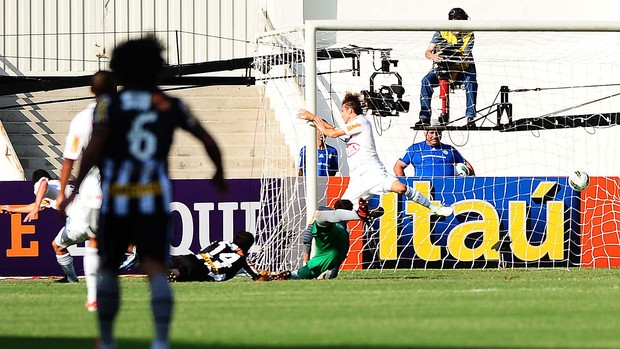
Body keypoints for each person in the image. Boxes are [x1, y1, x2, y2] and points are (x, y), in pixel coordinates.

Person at [60, 36, 227, 349]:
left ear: (120, 70)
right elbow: (207, 140)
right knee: (155, 268)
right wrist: (218, 172)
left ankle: (107, 339)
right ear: (157, 69)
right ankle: (161, 340)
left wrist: (75, 187)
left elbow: (93, 149)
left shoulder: (110, 106)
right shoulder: (170, 105)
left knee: (108, 267)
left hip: (119, 195)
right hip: (154, 196)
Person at [297, 92, 453, 217]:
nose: (342, 115)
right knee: (340, 212)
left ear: (350, 110)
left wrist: (312, 117)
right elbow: (332, 128)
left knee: (401, 188)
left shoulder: (361, 122)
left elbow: (331, 133)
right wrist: (314, 118)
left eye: (343, 111)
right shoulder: (352, 129)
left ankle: (434, 208)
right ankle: (365, 214)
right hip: (357, 180)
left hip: (374, 174)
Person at [55, 70, 118, 312]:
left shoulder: (82, 119)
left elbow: (69, 159)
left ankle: (93, 296)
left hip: (93, 192)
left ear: (92, 90)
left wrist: (64, 193)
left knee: (95, 240)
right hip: (128, 188)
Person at [274, 199, 383, 280]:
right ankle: (284, 276)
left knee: (321, 215)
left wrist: (305, 257)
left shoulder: (326, 213)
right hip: (333, 245)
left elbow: (308, 236)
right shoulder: (343, 232)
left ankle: (359, 215)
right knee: (306, 273)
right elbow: (334, 268)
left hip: (330, 242)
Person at [1, 169, 79, 283]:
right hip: (93, 212)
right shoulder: (58, 186)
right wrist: (12, 209)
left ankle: (72, 279)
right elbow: (41, 204)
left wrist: (36, 207)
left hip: (77, 217)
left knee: (58, 245)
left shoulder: (40, 184)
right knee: (96, 243)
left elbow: (43, 183)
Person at [416, 7, 477, 127]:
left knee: (471, 82)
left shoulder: (469, 34)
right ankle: (424, 117)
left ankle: (470, 118)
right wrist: (434, 56)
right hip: (443, 67)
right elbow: (428, 52)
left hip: (462, 68)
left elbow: (466, 55)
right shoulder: (442, 31)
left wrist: (452, 55)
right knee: (426, 81)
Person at [167, 231, 266, 282]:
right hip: (203, 271)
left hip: (191, 258)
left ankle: (159, 270)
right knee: (181, 273)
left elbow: (203, 252)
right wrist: (267, 278)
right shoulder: (243, 260)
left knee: (164, 264)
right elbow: (259, 279)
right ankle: (170, 274)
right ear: (248, 247)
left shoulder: (221, 242)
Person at [393, 129, 475, 177]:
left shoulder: (450, 149)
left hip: (448, 189)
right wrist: (405, 184)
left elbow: (466, 164)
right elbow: (398, 166)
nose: (435, 135)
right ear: (425, 133)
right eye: (432, 132)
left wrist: (472, 180)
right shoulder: (415, 148)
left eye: (438, 132)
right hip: (423, 189)